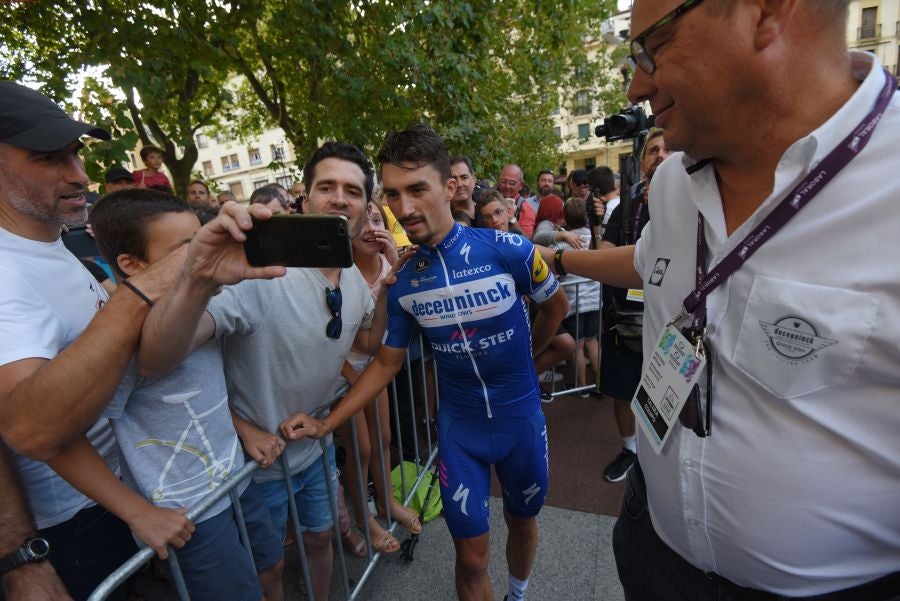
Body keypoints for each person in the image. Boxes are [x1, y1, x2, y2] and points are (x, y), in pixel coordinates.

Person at [546, 1, 900, 598]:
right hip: (649, 544)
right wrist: (557, 260)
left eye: (652, 47)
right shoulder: (670, 181)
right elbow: (650, 262)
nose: (636, 85)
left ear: (767, 11)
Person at [280, 123, 569, 601]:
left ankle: (517, 594)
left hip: (520, 418)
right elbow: (385, 365)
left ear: (450, 187)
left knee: (522, 522)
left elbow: (557, 308)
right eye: (392, 194)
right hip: (461, 433)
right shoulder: (405, 280)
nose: (404, 207)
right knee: (471, 557)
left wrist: (530, 358)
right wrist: (326, 422)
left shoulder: (508, 249)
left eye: (417, 189)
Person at [135, 141, 388, 601]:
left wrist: (387, 288)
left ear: (366, 206)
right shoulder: (261, 273)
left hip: (316, 450)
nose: (339, 198)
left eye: (352, 190)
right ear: (304, 199)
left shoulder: (353, 276)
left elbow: (365, 342)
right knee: (268, 569)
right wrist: (198, 277)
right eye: (326, 186)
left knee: (318, 539)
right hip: (256, 468)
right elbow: (157, 357)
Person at [45, 189, 285, 601]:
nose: (201, 256)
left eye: (201, 240)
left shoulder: (204, 307)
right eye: (184, 250)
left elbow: (195, 395)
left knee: (271, 567)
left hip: (237, 482)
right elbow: (57, 438)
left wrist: (242, 429)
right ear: (132, 265)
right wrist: (137, 512)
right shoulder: (113, 343)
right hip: (189, 516)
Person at [0, 80, 187, 600]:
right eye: (49, 159)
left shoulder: (48, 243)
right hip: (73, 526)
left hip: (118, 496)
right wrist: (150, 285)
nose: (79, 175)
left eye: (75, 155)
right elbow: (31, 427)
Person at [336, 199, 422, 557]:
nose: (372, 227)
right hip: (341, 372)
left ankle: (385, 501)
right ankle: (363, 518)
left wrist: (396, 261)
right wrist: (352, 375)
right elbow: (328, 341)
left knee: (384, 438)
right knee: (362, 448)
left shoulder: (389, 263)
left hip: (374, 366)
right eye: (363, 221)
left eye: (377, 219)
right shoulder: (338, 274)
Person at [595, 130, 670, 484]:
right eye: (653, 150)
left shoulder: (703, 200)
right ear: (642, 163)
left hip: (675, 322)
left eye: (669, 148)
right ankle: (630, 449)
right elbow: (604, 253)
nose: (661, 154)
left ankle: (662, 457)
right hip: (624, 319)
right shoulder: (627, 203)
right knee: (624, 389)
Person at [497, 164, 536, 237]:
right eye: (503, 181)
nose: (507, 186)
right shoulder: (491, 201)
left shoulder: (525, 209)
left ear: (521, 185)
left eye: (512, 183)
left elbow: (527, 240)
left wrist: (512, 220)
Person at [450, 155, 477, 222]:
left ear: (474, 179)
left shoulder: (489, 213)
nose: (459, 184)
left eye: (464, 177)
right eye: (454, 179)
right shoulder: (444, 221)